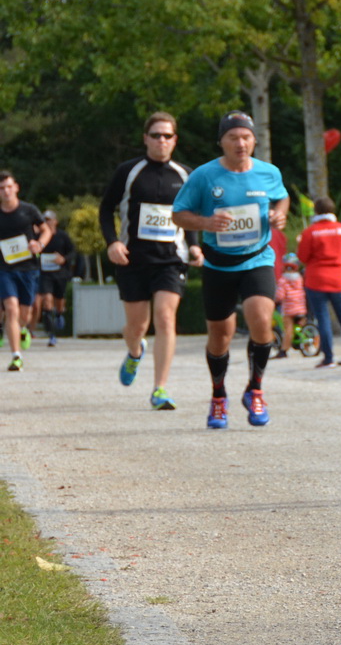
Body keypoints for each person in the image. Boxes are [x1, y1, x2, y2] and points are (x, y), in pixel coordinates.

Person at [172, 112, 290, 429]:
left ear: (254, 140)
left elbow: (282, 198)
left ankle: (255, 389)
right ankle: (218, 395)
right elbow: (178, 214)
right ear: (221, 141)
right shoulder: (204, 176)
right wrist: (206, 222)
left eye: (246, 137)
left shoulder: (268, 172)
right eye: (233, 137)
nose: (240, 143)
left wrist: (279, 215)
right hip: (218, 264)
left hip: (257, 259)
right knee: (220, 335)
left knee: (262, 321)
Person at [100, 112, 201, 407]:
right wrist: (113, 242)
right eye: (156, 135)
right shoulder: (128, 171)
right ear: (145, 138)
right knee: (136, 327)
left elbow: (189, 215)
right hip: (133, 260)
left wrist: (195, 247)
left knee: (166, 318)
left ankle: (160, 389)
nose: (161, 141)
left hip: (171, 260)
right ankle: (135, 352)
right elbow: (105, 210)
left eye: (167, 136)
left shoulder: (185, 175)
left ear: (175, 140)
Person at [297, 196, 341, 367]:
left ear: (316, 211)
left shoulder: (310, 232)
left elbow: (303, 257)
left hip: (316, 279)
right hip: (339, 278)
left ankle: (328, 358)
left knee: (323, 319)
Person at [0, 170, 46, 372]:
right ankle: (16, 356)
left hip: (28, 268)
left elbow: (46, 230)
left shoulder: (28, 210)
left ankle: (24, 329)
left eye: (9, 187)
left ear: (16, 187)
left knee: (25, 314)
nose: (6, 191)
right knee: (11, 308)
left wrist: (39, 244)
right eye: (2, 188)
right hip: (4, 268)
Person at [32, 210, 77, 346]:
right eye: (44, 220)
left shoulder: (62, 236)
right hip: (45, 274)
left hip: (60, 274)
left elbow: (73, 251)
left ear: (55, 221)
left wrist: (64, 259)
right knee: (47, 301)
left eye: (49, 219)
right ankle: (52, 335)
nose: (47, 222)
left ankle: (59, 314)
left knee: (59, 301)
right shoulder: (39, 237)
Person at [274, 253, 308, 358]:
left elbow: (280, 295)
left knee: (288, 330)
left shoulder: (283, 280)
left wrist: (275, 300)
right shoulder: (300, 279)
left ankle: (284, 350)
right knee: (301, 325)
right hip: (301, 307)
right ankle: (304, 343)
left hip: (289, 309)